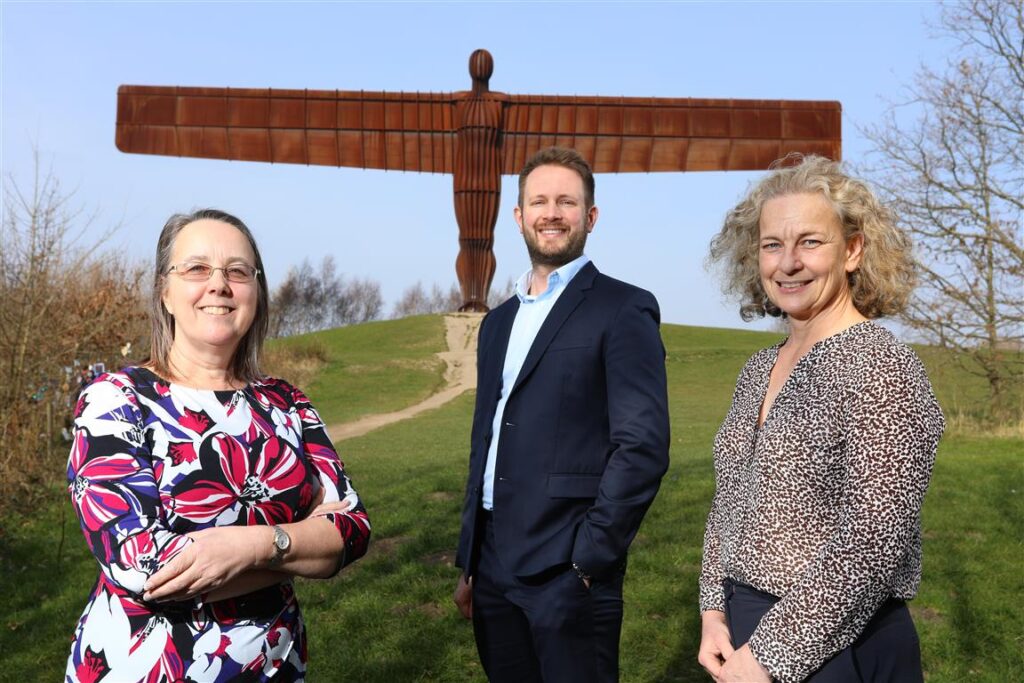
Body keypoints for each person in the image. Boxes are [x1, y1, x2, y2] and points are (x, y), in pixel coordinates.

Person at [65, 209, 371, 681]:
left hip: (276, 668)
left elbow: (351, 528)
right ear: (165, 292)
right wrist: (299, 554)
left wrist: (250, 547)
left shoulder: (286, 403)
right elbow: (142, 566)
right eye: (197, 269)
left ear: (256, 291)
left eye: (237, 271)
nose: (219, 284)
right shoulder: (117, 400)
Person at [698, 155, 944, 682]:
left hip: (839, 646)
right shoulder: (759, 368)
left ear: (853, 249)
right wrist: (713, 611)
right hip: (744, 636)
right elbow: (729, 500)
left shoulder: (882, 367)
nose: (788, 263)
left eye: (810, 242)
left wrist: (770, 656)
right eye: (771, 245)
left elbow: (873, 538)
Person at [452, 146, 671, 682]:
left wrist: (590, 557)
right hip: (493, 564)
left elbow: (641, 445)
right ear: (519, 216)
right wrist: (471, 562)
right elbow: (487, 441)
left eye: (567, 202)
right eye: (540, 201)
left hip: (568, 567)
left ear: (590, 218)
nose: (552, 213)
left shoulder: (623, 308)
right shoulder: (497, 323)